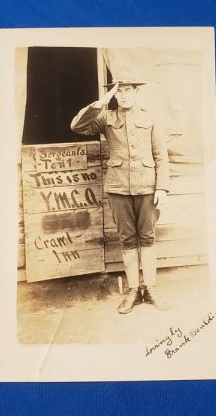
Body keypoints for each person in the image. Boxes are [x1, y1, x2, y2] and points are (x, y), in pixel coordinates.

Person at [71, 79, 170, 313]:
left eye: (128, 91)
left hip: (147, 187)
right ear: (114, 96)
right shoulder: (107, 117)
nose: (124, 96)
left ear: (136, 93)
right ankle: (134, 291)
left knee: (147, 237)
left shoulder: (150, 118)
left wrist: (162, 187)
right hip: (117, 188)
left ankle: (150, 289)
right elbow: (77, 126)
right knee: (127, 239)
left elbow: (161, 156)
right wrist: (101, 103)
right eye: (119, 93)